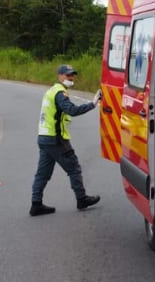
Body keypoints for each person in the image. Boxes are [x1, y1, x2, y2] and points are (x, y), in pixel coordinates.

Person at [29, 64, 103, 216]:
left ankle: (36, 204)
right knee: (74, 168)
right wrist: (93, 103)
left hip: (43, 137)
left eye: (72, 75)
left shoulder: (51, 91)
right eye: (68, 75)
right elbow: (72, 110)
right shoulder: (60, 93)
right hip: (55, 139)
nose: (71, 77)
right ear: (60, 76)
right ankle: (81, 199)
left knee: (42, 174)